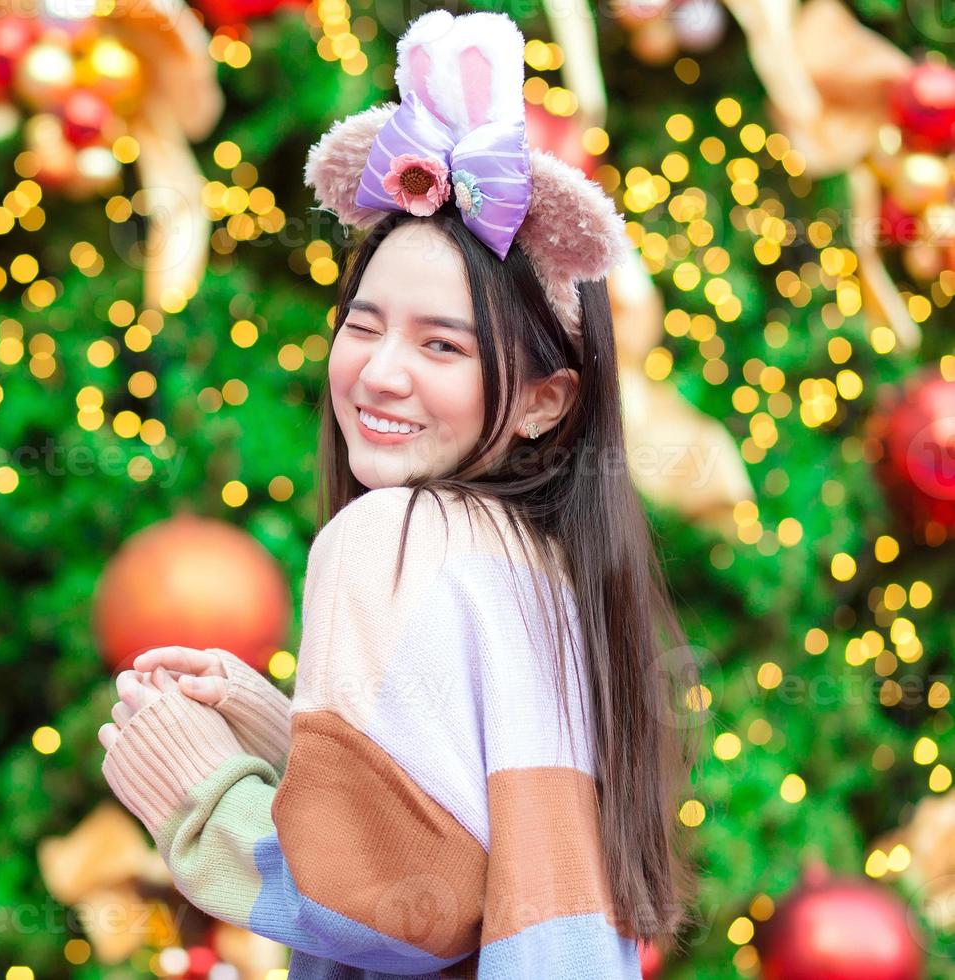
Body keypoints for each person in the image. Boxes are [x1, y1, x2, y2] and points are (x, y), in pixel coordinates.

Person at [97, 9, 703, 977]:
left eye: (442, 344)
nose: (379, 373)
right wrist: (287, 728)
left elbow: (397, 908)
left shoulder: (392, 529)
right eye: (363, 324)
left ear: (548, 400)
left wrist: (205, 794)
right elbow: (473, 833)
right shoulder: (547, 564)